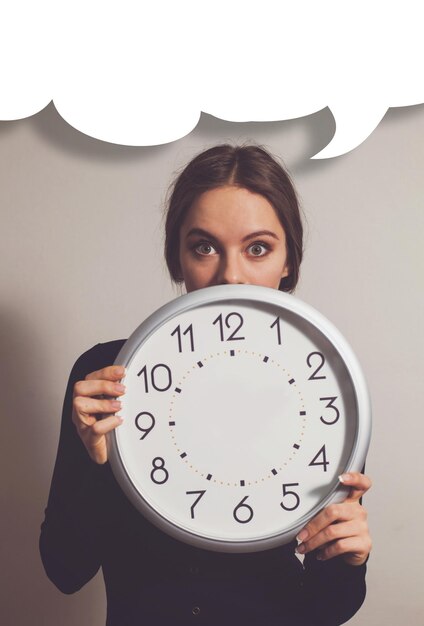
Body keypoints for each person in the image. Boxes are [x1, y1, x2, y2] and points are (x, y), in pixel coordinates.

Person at [40, 144, 372, 626]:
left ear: (288, 263)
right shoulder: (107, 375)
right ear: (178, 259)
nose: (230, 274)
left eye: (258, 248)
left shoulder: (332, 388)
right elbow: (65, 571)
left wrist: (348, 559)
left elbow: (325, 612)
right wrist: (96, 462)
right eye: (204, 247)